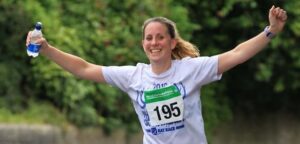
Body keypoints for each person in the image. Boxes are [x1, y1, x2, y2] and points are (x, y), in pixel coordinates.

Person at [26, 5, 287, 144]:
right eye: (149, 38)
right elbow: (84, 68)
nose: (154, 42)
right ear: (143, 45)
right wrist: (47, 49)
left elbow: (237, 53)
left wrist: (271, 31)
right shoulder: (133, 77)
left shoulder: (191, 70)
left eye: (160, 37)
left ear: (172, 43)